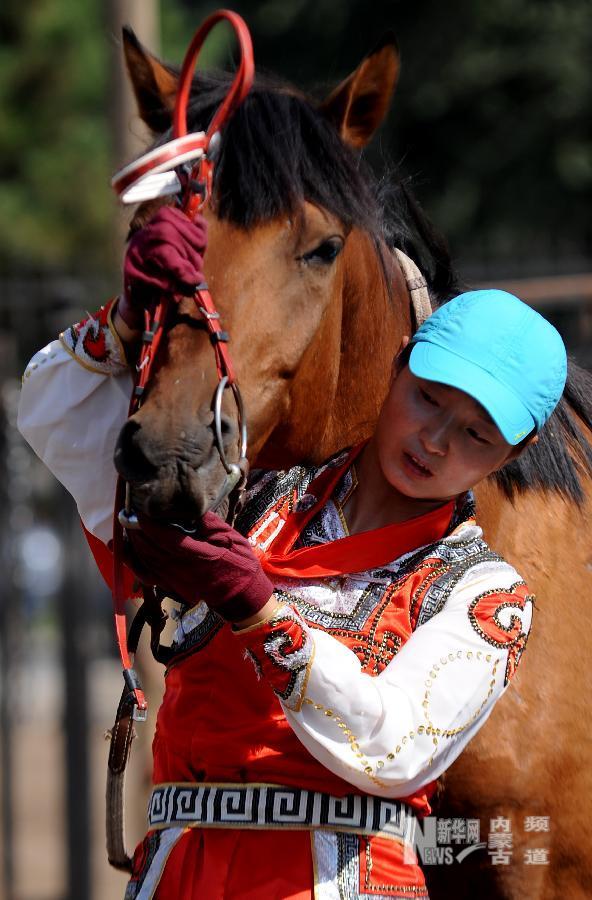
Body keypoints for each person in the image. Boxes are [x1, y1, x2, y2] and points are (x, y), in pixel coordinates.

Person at [18, 208, 567, 899]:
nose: (435, 441)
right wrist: (129, 316)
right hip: (177, 871)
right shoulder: (248, 496)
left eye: (476, 435)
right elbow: (57, 420)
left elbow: (394, 748)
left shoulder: (487, 594)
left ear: (511, 455)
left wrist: (257, 607)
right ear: (396, 366)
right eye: (427, 399)